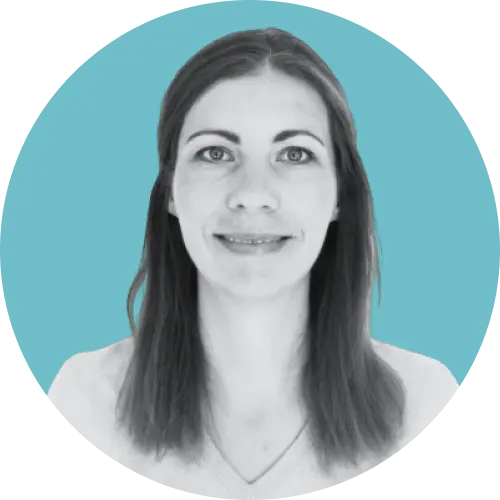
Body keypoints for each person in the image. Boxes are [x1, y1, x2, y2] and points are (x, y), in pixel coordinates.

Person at [46, 27, 458, 495]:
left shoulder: (425, 405)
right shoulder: (84, 403)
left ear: (339, 196)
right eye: (215, 153)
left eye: (295, 154)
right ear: (171, 191)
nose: (254, 194)